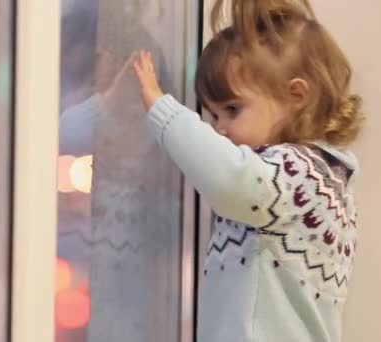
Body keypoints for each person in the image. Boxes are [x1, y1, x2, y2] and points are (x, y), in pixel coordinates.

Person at [132, 0, 362, 341]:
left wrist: (162, 110)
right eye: (212, 116)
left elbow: (228, 180)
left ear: (296, 95)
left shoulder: (300, 174)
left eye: (232, 109)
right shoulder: (307, 175)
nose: (220, 128)